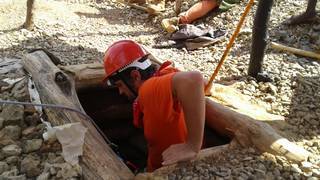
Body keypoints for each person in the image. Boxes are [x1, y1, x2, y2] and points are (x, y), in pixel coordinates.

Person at [102, 40, 206, 171]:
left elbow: (193, 79)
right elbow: (205, 84)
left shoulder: (148, 89)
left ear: (135, 76)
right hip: (163, 164)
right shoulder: (166, 73)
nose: (120, 92)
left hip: (169, 170)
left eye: (120, 85)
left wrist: (192, 145)